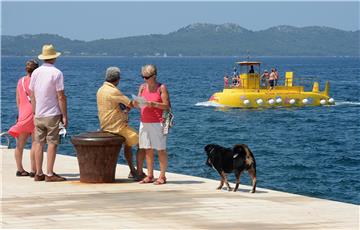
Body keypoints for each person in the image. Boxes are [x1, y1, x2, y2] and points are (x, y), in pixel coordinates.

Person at [96, 67, 146, 180]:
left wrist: (124, 110)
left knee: (128, 144)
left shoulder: (100, 90)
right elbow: (131, 103)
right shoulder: (114, 91)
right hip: (117, 127)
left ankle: (132, 170)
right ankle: (138, 172)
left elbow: (112, 106)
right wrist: (141, 99)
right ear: (117, 79)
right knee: (142, 143)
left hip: (105, 125)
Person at [29, 44, 67, 182]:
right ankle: (49, 173)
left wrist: (34, 111)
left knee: (39, 143)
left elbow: (32, 94)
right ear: (54, 57)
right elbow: (61, 96)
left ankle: (38, 173)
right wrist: (64, 115)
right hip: (52, 113)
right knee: (52, 143)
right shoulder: (57, 73)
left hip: (38, 113)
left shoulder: (35, 73)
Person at [137, 64, 171, 185]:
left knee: (161, 149)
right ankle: (150, 175)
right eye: (143, 77)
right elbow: (139, 103)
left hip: (158, 122)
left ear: (154, 76)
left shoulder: (161, 88)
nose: (144, 79)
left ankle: (162, 176)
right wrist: (136, 103)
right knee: (147, 149)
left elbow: (166, 105)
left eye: (147, 77)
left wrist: (154, 104)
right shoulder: (142, 87)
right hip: (144, 121)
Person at [8, 60, 39, 177]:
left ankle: (20, 169)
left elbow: (18, 100)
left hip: (23, 114)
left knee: (20, 145)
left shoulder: (20, 81)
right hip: (34, 114)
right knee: (35, 143)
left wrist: (20, 113)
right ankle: (34, 170)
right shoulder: (36, 82)